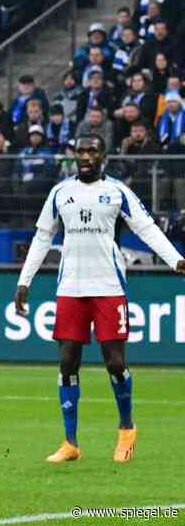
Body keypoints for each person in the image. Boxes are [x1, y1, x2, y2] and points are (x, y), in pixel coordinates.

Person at [14, 135, 185, 465]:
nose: (85, 157)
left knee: (115, 362)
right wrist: (24, 281)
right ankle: (70, 442)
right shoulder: (60, 192)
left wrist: (175, 259)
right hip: (70, 288)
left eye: (92, 151)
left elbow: (146, 228)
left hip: (108, 286)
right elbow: (42, 237)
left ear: (104, 155)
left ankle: (126, 428)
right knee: (67, 362)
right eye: (80, 151)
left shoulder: (118, 191)